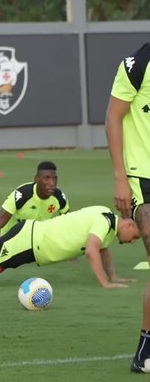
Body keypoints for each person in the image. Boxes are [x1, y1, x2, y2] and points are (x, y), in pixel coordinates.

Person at [0, 206, 138, 289]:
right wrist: (105, 283)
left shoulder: (108, 222)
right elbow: (92, 251)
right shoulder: (105, 221)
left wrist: (114, 276)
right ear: (129, 224)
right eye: (136, 235)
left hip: (32, 244)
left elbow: (103, 250)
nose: (134, 240)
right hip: (29, 240)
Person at [104, 42, 150, 373]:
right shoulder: (138, 63)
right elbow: (113, 116)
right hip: (141, 179)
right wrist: (120, 177)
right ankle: (146, 348)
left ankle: (144, 352)